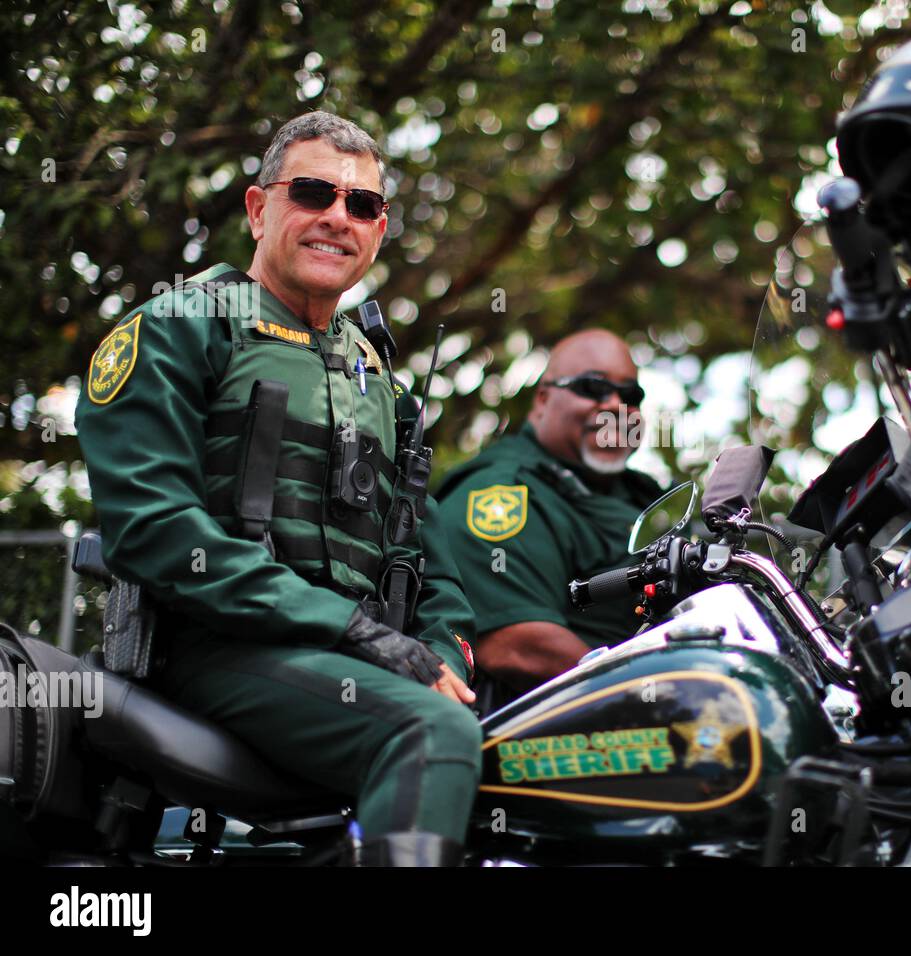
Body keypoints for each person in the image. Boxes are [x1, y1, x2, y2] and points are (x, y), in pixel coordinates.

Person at [75, 111, 481, 866]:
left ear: (379, 231)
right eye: (314, 193)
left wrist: (444, 663)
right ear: (260, 208)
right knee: (431, 732)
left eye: (361, 205)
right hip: (218, 649)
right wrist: (356, 633)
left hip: (355, 664)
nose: (337, 217)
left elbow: (429, 562)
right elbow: (154, 531)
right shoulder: (182, 325)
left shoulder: (380, 382)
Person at [435, 330, 665, 711]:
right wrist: (646, 692)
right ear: (542, 400)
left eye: (630, 396)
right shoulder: (501, 492)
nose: (614, 405)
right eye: (592, 387)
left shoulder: (640, 493)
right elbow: (514, 645)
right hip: (569, 732)